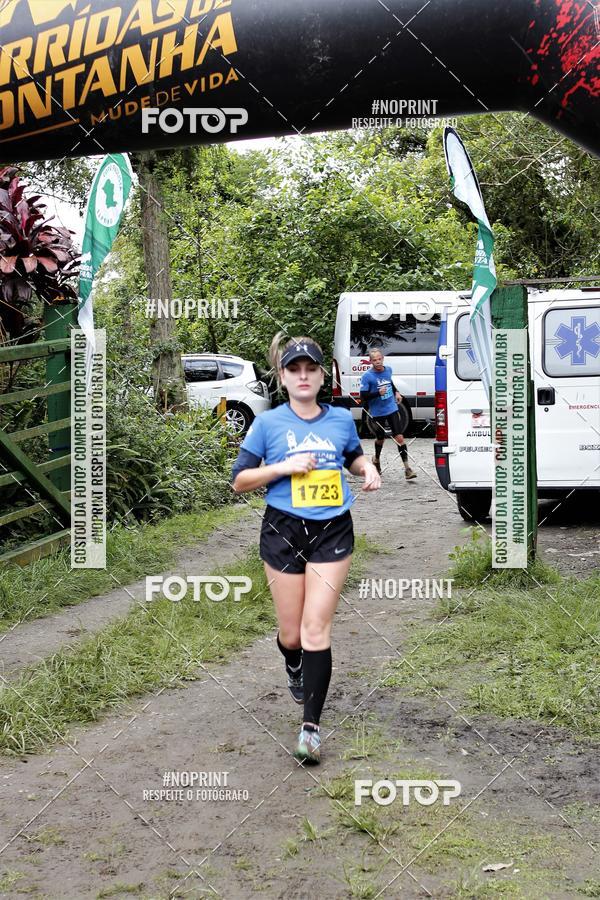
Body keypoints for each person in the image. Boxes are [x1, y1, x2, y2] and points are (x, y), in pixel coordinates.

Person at [231, 334, 381, 764]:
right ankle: (292, 661)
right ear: (282, 376)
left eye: (310, 369)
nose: (303, 376)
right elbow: (239, 480)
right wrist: (283, 467)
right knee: (292, 634)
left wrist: (366, 466)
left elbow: (352, 456)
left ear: (321, 376)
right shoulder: (268, 424)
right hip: (282, 531)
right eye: (294, 369)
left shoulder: (339, 421)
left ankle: (310, 728)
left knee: (317, 629)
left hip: (333, 529)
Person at [359, 348, 417, 480]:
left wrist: (397, 392)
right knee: (380, 439)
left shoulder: (388, 370)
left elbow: (390, 383)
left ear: (382, 358)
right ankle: (376, 459)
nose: (378, 362)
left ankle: (407, 468)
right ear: (370, 361)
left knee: (400, 438)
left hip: (391, 408)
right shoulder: (367, 376)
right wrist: (377, 393)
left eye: (379, 359)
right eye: (374, 360)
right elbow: (363, 396)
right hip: (378, 412)